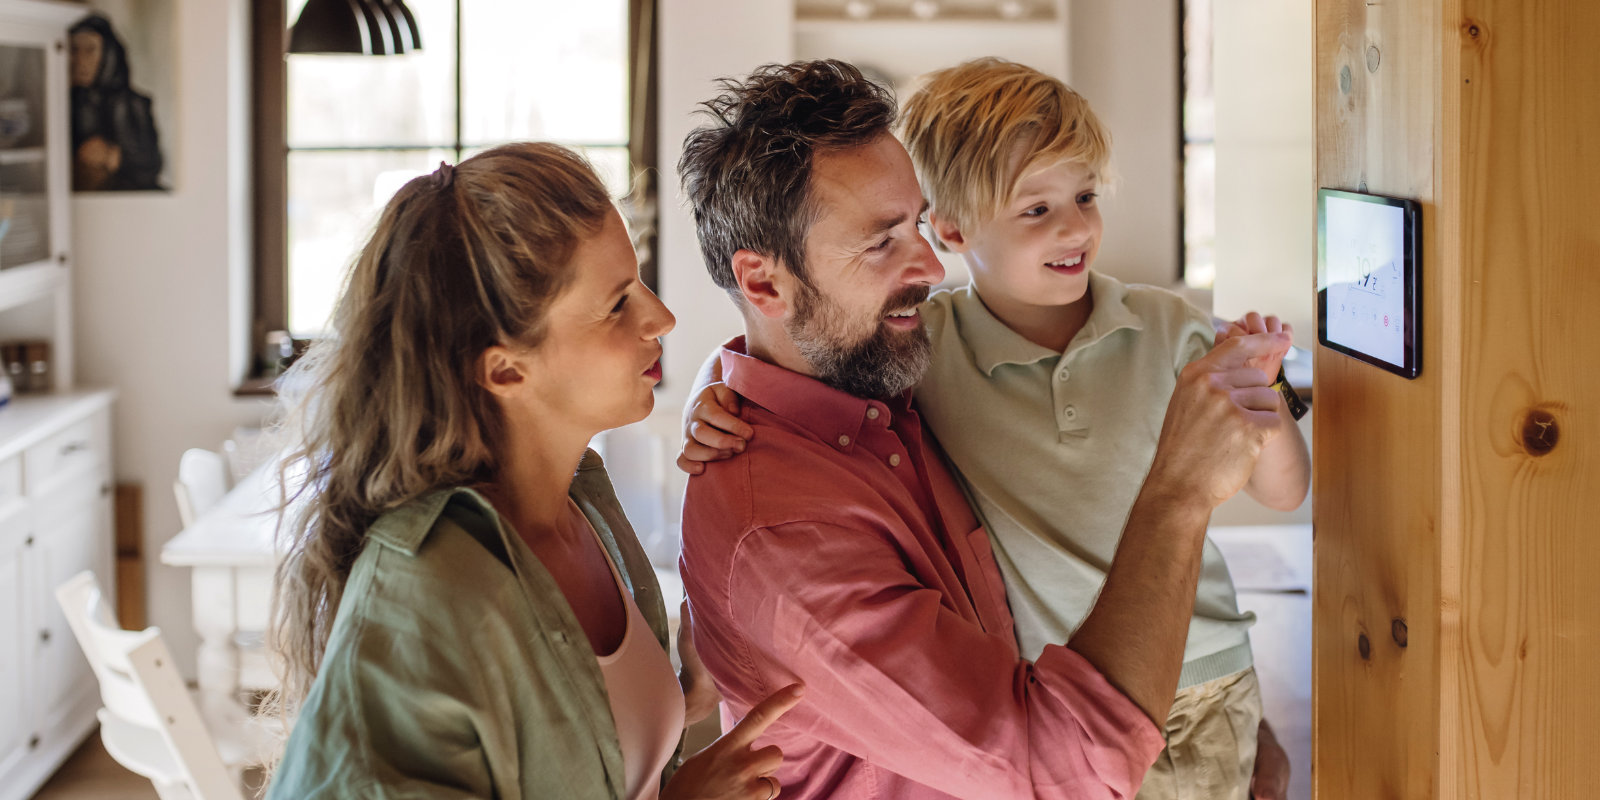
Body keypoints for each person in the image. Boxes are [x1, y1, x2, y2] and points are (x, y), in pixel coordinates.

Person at [682, 59, 1306, 800]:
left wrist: (718, 384)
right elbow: (1062, 765)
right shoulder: (798, 516)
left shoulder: (881, 373)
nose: (925, 263)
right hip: (1088, 727)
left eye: (913, 225)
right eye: (882, 241)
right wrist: (1179, 491)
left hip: (1194, 688)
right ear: (761, 284)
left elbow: (1283, 484)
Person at [264, 142, 800, 800]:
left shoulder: (585, 505)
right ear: (505, 370)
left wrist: (683, 694)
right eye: (616, 304)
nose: (660, 318)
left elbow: (575, 747)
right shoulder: (420, 591)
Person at [68, 14, 163, 191]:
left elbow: (152, 164)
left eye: (90, 50)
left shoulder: (133, 103)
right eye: (74, 50)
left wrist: (113, 155)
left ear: (108, 55)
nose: (80, 60)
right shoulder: (64, 102)